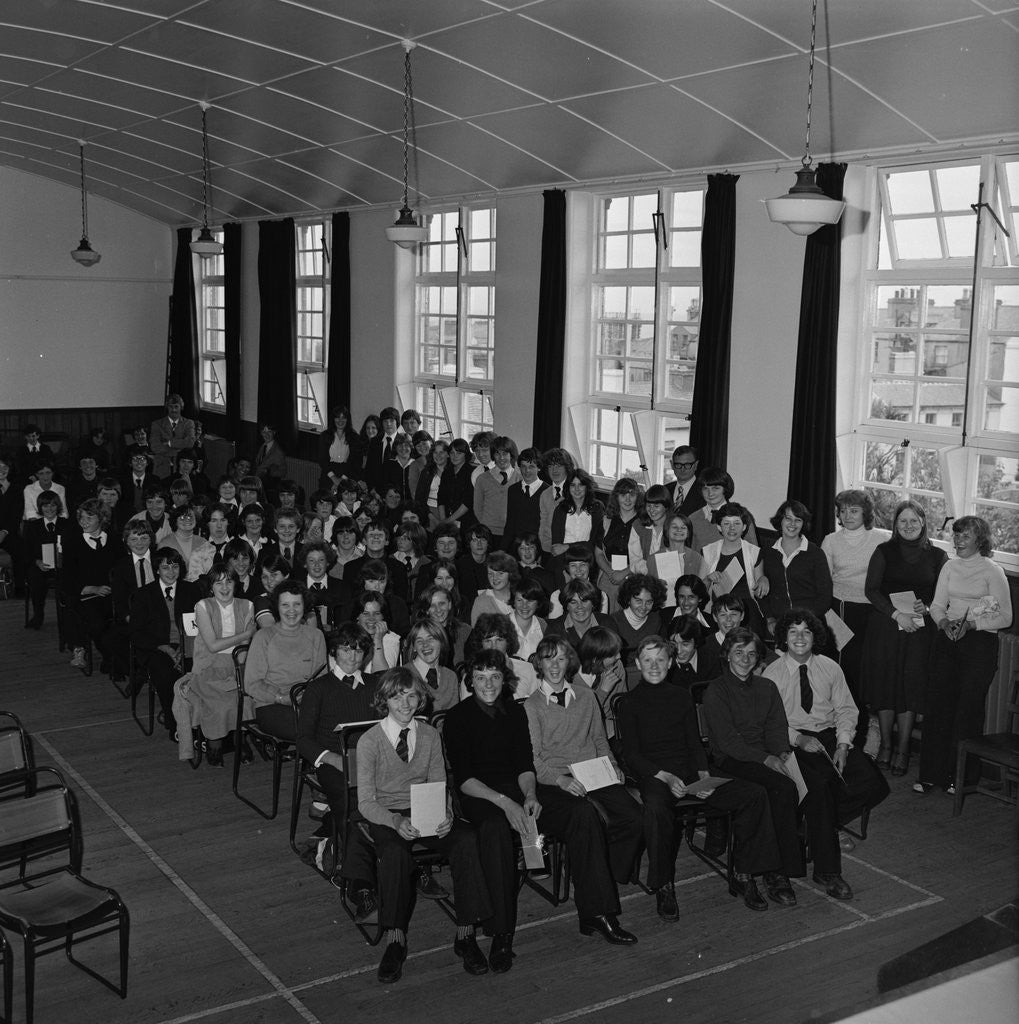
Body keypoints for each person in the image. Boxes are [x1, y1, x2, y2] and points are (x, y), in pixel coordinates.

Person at [618, 636, 789, 917]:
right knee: (657, 809)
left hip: (688, 769)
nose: (654, 665)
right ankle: (663, 886)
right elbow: (632, 755)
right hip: (654, 774)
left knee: (753, 795)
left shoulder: (680, 695)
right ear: (637, 664)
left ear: (670, 662)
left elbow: (695, 744)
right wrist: (665, 777)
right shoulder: (629, 702)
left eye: (660, 659)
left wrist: (703, 775)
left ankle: (745, 873)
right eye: (647, 660)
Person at [357, 667, 493, 984]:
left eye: (411, 695)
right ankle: (395, 938)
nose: (404, 703)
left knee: (466, 839)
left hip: (425, 806)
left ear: (420, 699)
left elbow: (438, 782)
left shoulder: (430, 735)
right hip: (387, 812)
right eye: (396, 696)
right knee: (393, 854)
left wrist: (445, 812)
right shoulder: (369, 742)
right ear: (384, 700)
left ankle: (466, 932)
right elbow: (365, 802)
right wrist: (394, 820)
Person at [763, 610, 889, 900]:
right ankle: (827, 870)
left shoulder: (830, 667)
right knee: (818, 789)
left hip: (828, 736)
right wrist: (798, 738)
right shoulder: (773, 674)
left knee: (872, 782)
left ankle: (821, 825)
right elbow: (771, 723)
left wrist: (843, 745)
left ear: (815, 637)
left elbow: (846, 709)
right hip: (790, 740)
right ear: (783, 637)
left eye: (806, 632)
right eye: (793, 632)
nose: (799, 638)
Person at [524, 637, 641, 946]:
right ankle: (597, 912)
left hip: (591, 770)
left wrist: (613, 766)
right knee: (585, 817)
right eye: (547, 659)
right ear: (539, 664)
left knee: (632, 816)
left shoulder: (587, 696)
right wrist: (559, 781)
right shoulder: (532, 705)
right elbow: (532, 759)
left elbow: (600, 739)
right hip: (554, 780)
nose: (554, 665)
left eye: (560, 659)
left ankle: (596, 876)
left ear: (569, 663)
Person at [443, 649, 539, 972]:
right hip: (478, 793)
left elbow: (525, 765)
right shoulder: (457, 717)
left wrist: (529, 796)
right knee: (496, 828)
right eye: (480, 677)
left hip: (513, 788)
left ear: (504, 680)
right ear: (470, 680)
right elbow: (465, 778)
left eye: (495, 677)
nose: (488, 684)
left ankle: (501, 932)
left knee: (535, 817)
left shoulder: (514, 712)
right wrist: (506, 803)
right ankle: (502, 932)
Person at [701, 628, 806, 898]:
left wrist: (781, 752)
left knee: (785, 787)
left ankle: (778, 871)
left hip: (764, 756)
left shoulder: (766, 687)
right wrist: (766, 758)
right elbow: (727, 743)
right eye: (739, 652)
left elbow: (775, 727)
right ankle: (756, 868)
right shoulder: (717, 690)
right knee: (767, 789)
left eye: (751, 654)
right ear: (726, 655)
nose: (745, 659)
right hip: (729, 760)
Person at [916, 516, 1012, 794]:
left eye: (965, 536)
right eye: (956, 535)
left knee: (966, 710)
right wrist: (944, 622)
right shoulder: (949, 566)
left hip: (979, 642)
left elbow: (1005, 617)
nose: (958, 540)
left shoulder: (993, 571)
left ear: (980, 540)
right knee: (938, 705)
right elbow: (936, 606)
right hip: (948, 637)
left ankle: (960, 778)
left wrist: (971, 624)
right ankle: (930, 774)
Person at [860, 501, 947, 776]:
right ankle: (886, 745)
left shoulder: (938, 556)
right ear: (895, 525)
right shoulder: (884, 551)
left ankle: (903, 748)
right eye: (902, 521)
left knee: (910, 687)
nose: (908, 526)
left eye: (914, 521)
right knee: (886, 685)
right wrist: (896, 614)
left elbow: (941, 595)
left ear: (923, 523)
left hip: (919, 631)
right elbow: (871, 590)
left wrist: (928, 604)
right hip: (887, 626)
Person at [820, 490, 883, 723]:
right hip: (839, 609)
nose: (847, 515)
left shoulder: (880, 540)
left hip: (870, 610)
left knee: (863, 670)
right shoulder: (831, 540)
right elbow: (824, 580)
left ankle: (862, 724)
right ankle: (835, 721)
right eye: (843, 510)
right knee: (841, 667)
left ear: (865, 513)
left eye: (854, 511)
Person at [189, 564, 256, 766]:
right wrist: (245, 633)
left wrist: (239, 673)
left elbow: (244, 649)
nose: (224, 587)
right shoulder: (202, 606)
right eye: (219, 582)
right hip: (208, 667)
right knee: (217, 704)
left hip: (236, 664)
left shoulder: (247, 605)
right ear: (211, 587)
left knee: (245, 699)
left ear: (236, 584)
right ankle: (214, 744)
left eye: (229, 581)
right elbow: (212, 645)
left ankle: (240, 740)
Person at [130, 547, 200, 741]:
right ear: (157, 570)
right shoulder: (144, 594)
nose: (171, 572)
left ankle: (199, 721)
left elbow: (199, 625)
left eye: (175, 566)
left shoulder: (192, 590)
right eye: (165, 567)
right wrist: (166, 648)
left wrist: (185, 650)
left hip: (189, 644)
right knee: (166, 675)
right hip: (157, 647)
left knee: (199, 671)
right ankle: (176, 724)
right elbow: (136, 633)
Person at [244, 581, 327, 739]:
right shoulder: (264, 637)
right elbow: (251, 684)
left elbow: (322, 678)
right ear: (277, 607)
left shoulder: (316, 636)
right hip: (270, 705)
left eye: (297, 604)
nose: (291, 611)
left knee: (337, 723)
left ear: (305, 606)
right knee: (307, 729)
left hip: (307, 703)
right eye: (285, 605)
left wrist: (310, 698)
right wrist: (280, 698)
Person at [61, 498, 123, 673]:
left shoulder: (114, 540)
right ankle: (99, 653)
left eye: (89, 517)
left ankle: (113, 656)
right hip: (85, 594)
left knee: (120, 619)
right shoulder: (72, 542)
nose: (83, 521)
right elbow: (67, 578)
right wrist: (93, 589)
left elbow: (121, 569)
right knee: (96, 622)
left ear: (102, 518)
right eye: (81, 517)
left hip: (111, 593)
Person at [761, 500, 833, 625]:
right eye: (788, 518)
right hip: (777, 622)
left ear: (803, 523)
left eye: (798, 520)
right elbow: (761, 593)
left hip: (809, 621)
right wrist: (769, 619)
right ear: (780, 520)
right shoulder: (767, 551)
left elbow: (825, 596)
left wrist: (804, 620)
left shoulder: (815, 553)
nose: (792, 524)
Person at [702, 502, 768, 637]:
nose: (732, 528)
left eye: (737, 523)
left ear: (744, 527)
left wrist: (763, 579)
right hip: (717, 610)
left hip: (745, 610)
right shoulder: (708, 551)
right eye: (726, 523)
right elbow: (700, 589)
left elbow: (759, 585)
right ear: (719, 527)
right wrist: (708, 578)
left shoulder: (754, 552)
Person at [595, 477, 642, 610]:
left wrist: (624, 573)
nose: (627, 499)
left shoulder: (643, 523)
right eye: (623, 494)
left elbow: (647, 555)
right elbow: (598, 553)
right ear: (616, 497)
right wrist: (610, 572)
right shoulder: (606, 520)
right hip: (608, 575)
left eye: (632, 494)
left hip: (634, 575)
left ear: (637, 497)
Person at [23, 491, 66, 629]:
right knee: (35, 578)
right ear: (40, 508)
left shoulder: (68, 524)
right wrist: (38, 562)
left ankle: (68, 616)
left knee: (70, 579)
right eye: (45, 506)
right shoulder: (32, 527)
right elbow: (26, 551)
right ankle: (38, 615)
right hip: (41, 565)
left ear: (58, 506)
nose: (49, 509)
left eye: (53, 505)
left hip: (63, 566)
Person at [689, 467, 759, 552]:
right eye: (705, 488)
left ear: (725, 489)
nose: (710, 493)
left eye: (715, 488)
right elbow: (693, 554)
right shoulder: (693, 518)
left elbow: (754, 552)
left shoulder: (741, 515)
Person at [609, 573, 668, 666]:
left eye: (649, 602)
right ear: (628, 599)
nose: (643, 607)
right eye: (638, 601)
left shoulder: (656, 620)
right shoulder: (613, 621)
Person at [401, 619, 459, 712]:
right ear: (414, 647)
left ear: (441, 642)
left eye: (430, 638)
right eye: (419, 641)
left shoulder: (451, 677)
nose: (425, 645)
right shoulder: (402, 676)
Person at [473, 436, 519, 546]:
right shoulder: (482, 479)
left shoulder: (519, 479)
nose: (501, 458)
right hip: (488, 533)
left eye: (505, 454)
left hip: (511, 533)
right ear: (493, 455)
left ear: (511, 455)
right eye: (497, 453)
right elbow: (477, 507)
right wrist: (485, 527)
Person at [549, 468, 604, 560]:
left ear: (587, 487)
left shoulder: (597, 508)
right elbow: (557, 547)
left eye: (581, 485)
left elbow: (596, 543)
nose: (577, 489)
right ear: (568, 487)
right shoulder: (560, 509)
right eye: (573, 485)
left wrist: (567, 546)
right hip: (565, 559)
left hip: (588, 559)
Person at [502, 447, 547, 552]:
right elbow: (510, 523)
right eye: (523, 466)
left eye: (531, 466)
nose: (527, 471)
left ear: (539, 468)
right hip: (517, 546)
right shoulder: (513, 490)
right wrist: (503, 548)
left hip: (538, 548)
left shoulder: (547, 491)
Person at [149, 394, 195, 479]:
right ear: (167, 407)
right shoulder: (156, 424)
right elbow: (155, 447)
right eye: (170, 407)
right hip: (162, 466)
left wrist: (169, 443)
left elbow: (190, 443)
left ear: (181, 407)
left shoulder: (189, 423)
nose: (173, 410)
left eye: (176, 406)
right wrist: (179, 449)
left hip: (181, 468)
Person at [537, 448, 574, 554]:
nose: (554, 470)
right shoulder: (545, 494)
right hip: (546, 549)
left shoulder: (574, 493)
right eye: (550, 466)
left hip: (566, 549)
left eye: (559, 465)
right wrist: (540, 548)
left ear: (567, 467)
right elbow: (542, 524)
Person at [470, 550, 518, 624]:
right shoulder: (481, 602)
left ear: (511, 574)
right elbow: (477, 633)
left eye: (500, 573)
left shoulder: (521, 596)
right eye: (490, 573)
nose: (494, 578)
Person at [664, 445, 704, 516]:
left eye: (687, 465)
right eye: (678, 464)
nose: (682, 469)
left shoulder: (706, 492)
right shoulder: (664, 490)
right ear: (672, 465)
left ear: (696, 465)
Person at [253, 423, 287, 489]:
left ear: (274, 432)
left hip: (269, 485)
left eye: (269, 432)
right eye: (264, 432)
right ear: (261, 433)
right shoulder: (263, 445)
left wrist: (269, 471)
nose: (266, 435)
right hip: (258, 481)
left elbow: (283, 472)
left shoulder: (278, 452)